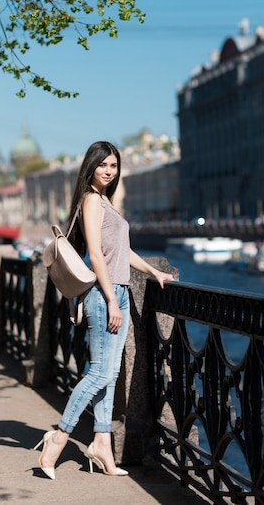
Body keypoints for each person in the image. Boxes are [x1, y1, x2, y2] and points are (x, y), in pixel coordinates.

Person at [33, 140, 174, 480]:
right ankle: (60, 436)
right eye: (103, 165)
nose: (109, 171)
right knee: (100, 373)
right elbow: (96, 255)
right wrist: (112, 299)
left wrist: (153, 272)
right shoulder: (92, 200)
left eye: (113, 165)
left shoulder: (106, 202)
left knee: (109, 376)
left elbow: (121, 252)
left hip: (119, 291)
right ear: (91, 167)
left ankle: (102, 445)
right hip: (103, 294)